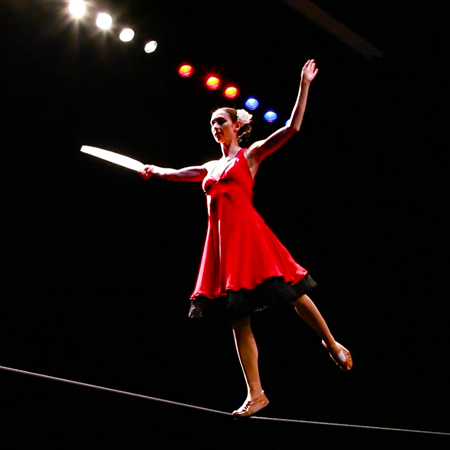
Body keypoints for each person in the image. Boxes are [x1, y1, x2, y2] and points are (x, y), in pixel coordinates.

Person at [139, 60, 352, 418]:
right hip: (223, 248)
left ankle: (331, 343)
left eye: (220, 121)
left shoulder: (249, 157)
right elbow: (175, 174)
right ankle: (256, 394)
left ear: (237, 125)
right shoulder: (209, 167)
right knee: (237, 316)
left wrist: (304, 85)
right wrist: (152, 170)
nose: (215, 127)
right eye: (211, 124)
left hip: (251, 237)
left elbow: (292, 127)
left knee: (293, 293)